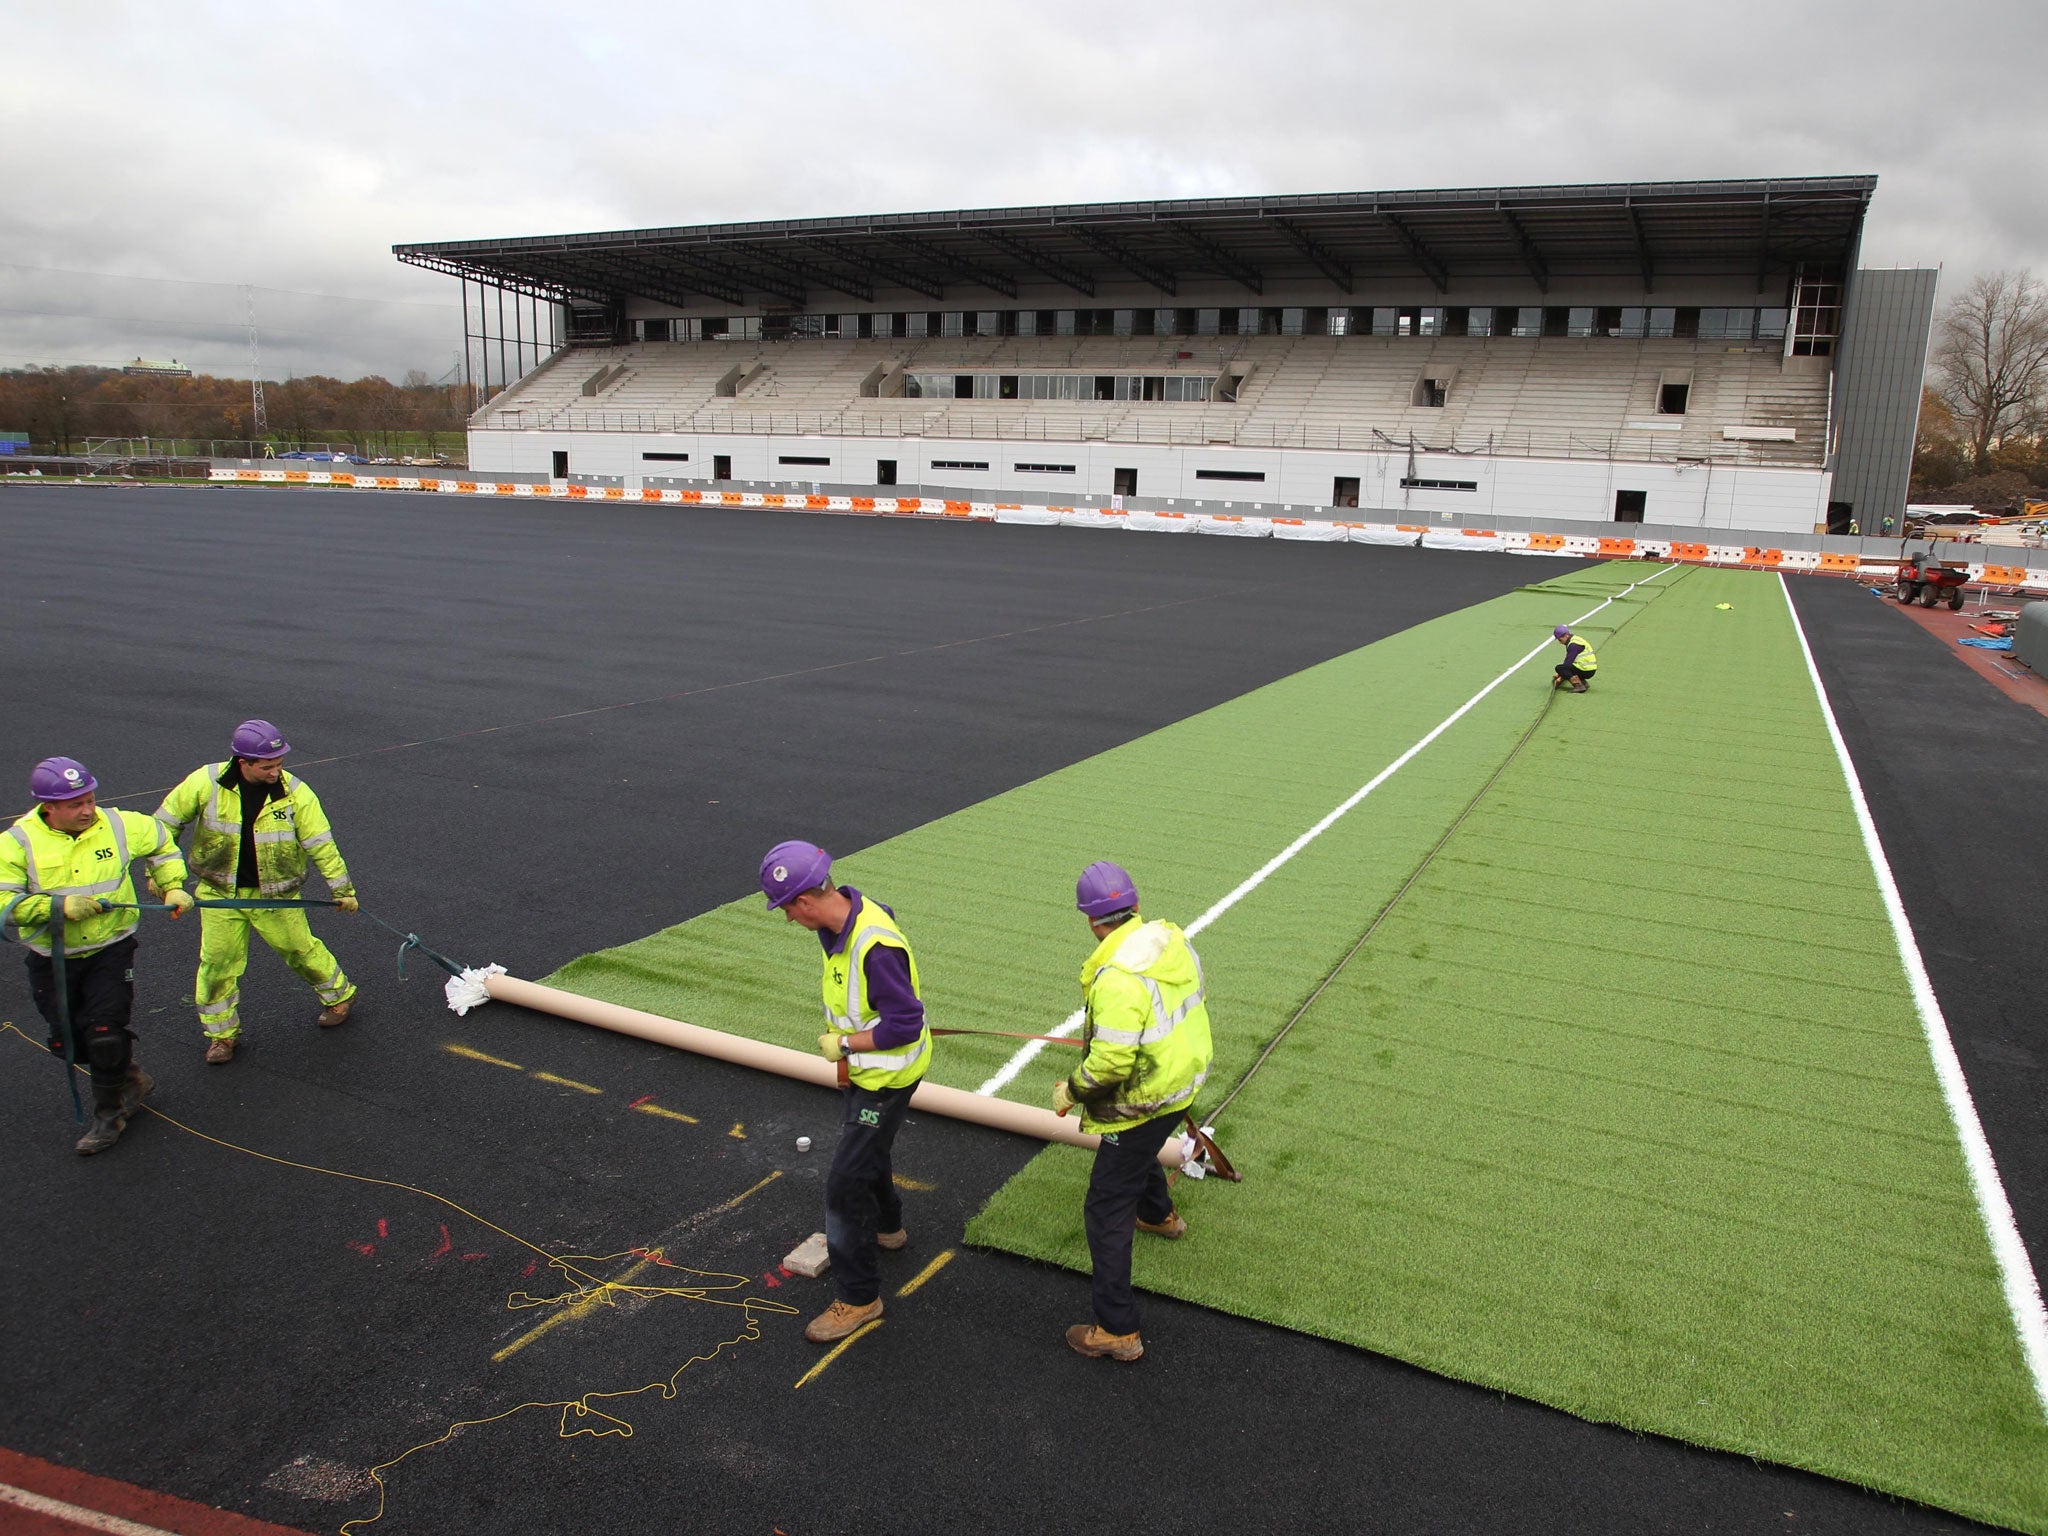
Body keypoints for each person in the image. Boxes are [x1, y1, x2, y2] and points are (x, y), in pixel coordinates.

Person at [760, 839, 933, 1344]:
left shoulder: (873, 947)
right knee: (868, 1155)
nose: (789, 920)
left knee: (843, 1185)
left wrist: (845, 1043)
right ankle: (889, 1229)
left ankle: (859, 1298)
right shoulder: (845, 919)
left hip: (884, 1079)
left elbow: (904, 1022)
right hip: (869, 1073)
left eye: (788, 910)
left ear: (806, 902)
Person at [1054, 861, 1214, 1362]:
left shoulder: (1117, 978)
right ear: (1135, 906)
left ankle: (1117, 1330)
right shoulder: (1170, 938)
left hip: (1145, 1097)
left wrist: (1071, 1092)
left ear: (1089, 920)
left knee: (1105, 1206)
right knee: (1141, 1151)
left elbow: (1110, 1064)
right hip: (1183, 1080)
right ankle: (1160, 1215)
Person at [0, 757, 193, 1154]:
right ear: (47, 807)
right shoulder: (16, 843)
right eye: (75, 805)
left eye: (90, 800)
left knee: (105, 1033)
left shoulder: (121, 824)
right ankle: (129, 1076)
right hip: (52, 955)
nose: (87, 810)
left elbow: (160, 841)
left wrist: (170, 884)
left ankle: (110, 1116)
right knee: (67, 1041)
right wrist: (58, 908)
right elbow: (3, 901)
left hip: (111, 946)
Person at [153, 720, 358, 1064]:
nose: (275, 772)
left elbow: (321, 843)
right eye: (267, 766)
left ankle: (339, 996)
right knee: (217, 965)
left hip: (275, 896)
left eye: (279, 764)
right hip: (221, 895)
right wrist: (161, 877)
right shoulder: (205, 783)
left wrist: (343, 889)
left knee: (299, 949)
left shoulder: (296, 793)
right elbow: (161, 827)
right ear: (242, 763)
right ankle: (221, 1035)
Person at [1551, 624, 1598, 693]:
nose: (1560, 642)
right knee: (1566, 668)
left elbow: (1567, 663)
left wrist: (1560, 675)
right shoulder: (1576, 639)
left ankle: (1579, 685)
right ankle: (1583, 683)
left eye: (1560, 640)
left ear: (1566, 635)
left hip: (1585, 670)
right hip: (1590, 669)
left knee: (1559, 668)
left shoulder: (1573, 645)